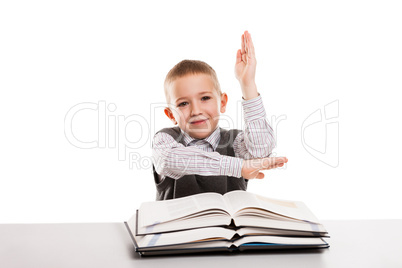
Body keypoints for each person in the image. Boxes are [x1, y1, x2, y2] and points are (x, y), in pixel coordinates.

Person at [152, 31, 288, 200]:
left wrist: (248, 85)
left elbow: (260, 150)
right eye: (183, 104)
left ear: (222, 103)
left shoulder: (236, 142)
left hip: (228, 226)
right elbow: (170, 160)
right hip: (178, 227)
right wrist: (238, 167)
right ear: (170, 114)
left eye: (205, 98)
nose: (196, 111)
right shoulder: (165, 140)